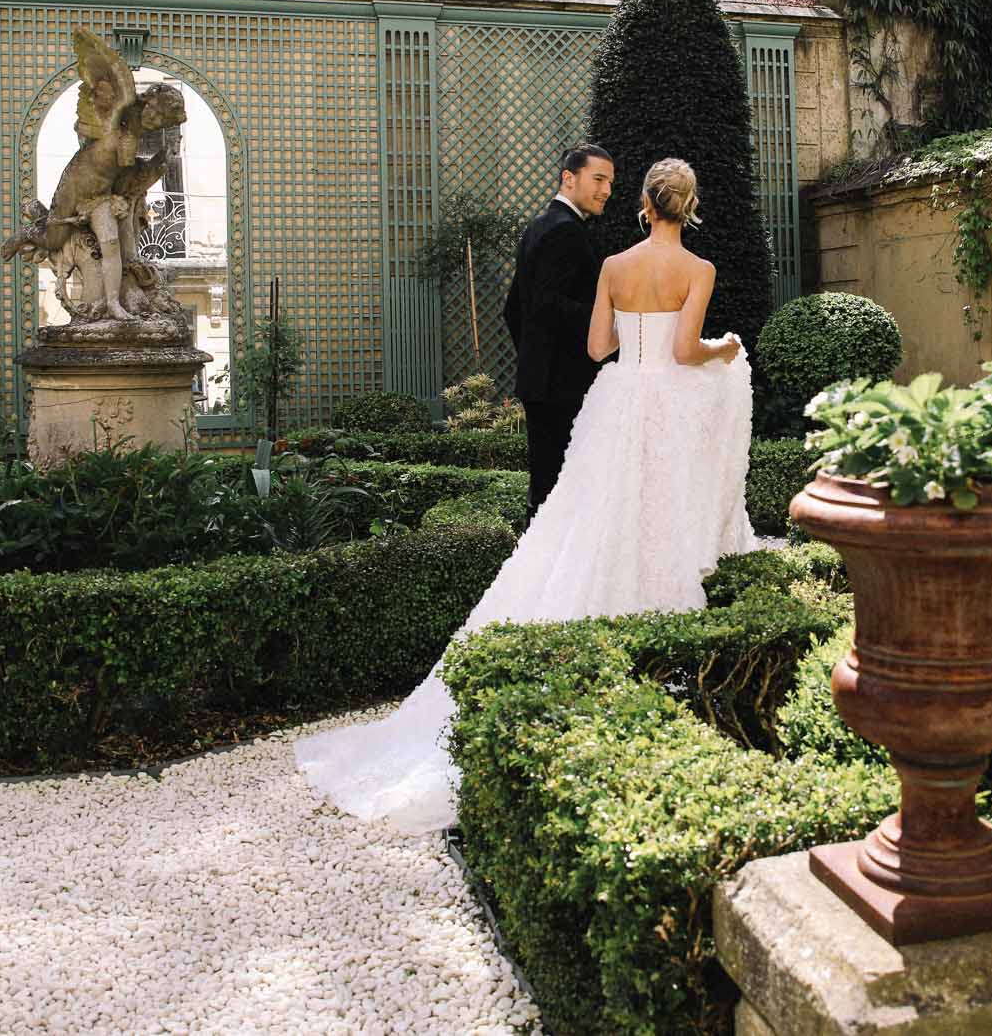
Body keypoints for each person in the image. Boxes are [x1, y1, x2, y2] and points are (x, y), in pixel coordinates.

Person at [294, 158, 755, 834]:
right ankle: (657, 663)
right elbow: (686, 351)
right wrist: (725, 350)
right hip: (667, 405)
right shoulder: (700, 270)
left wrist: (633, 342)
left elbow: (599, 345)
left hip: (619, 399)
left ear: (644, 204)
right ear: (688, 209)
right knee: (659, 520)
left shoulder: (614, 265)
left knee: (583, 525)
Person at [502, 144, 612, 515]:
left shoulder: (541, 225)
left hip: (545, 382)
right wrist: (608, 322)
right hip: (563, 387)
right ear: (569, 178)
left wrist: (535, 357)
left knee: (547, 490)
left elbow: (513, 308)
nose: (606, 190)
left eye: (610, 182)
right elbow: (548, 305)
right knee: (560, 496)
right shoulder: (565, 231)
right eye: (598, 179)